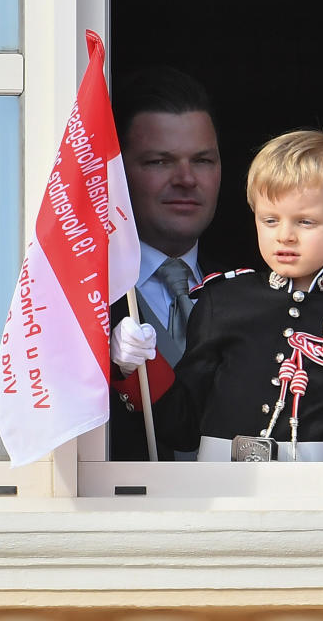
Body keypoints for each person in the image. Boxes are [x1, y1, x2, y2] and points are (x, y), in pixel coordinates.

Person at [112, 129, 323, 492]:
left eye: (305, 221)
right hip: (219, 490)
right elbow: (180, 426)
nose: (285, 236)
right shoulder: (223, 302)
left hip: (320, 494)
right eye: (270, 220)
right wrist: (137, 364)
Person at [108, 66, 224, 461]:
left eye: (203, 160)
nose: (186, 179)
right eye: (160, 162)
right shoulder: (83, 299)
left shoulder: (251, 287)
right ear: (119, 173)